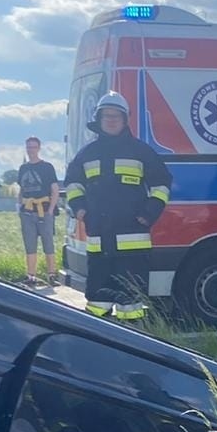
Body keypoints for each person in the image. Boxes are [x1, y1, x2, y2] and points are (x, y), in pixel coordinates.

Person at [63, 93, 171, 320]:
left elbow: (162, 183)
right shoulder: (87, 154)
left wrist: (148, 213)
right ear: (99, 119)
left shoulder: (140, 151)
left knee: (130, 303)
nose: (111, 120)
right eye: (106, 116)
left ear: (125, 120)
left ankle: (131, 339)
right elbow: (72, 183)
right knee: (97, 302)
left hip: (133, 243)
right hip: (99, 242)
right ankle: (96, 338)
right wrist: (80, 209)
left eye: (116, 116)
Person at [17, 136, 60, 287]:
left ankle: (52, 275)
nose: (31, 150)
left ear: (39, 148)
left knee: (48, 243)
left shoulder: (47, 167)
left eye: (34, 147)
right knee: (30, 244)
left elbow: (55, 189)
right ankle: (31, 276)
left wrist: (51, 210)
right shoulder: (23, 168)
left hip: (44, 210)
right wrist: (19, 206)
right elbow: (21, 190)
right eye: (29, 147)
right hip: (27, 211)